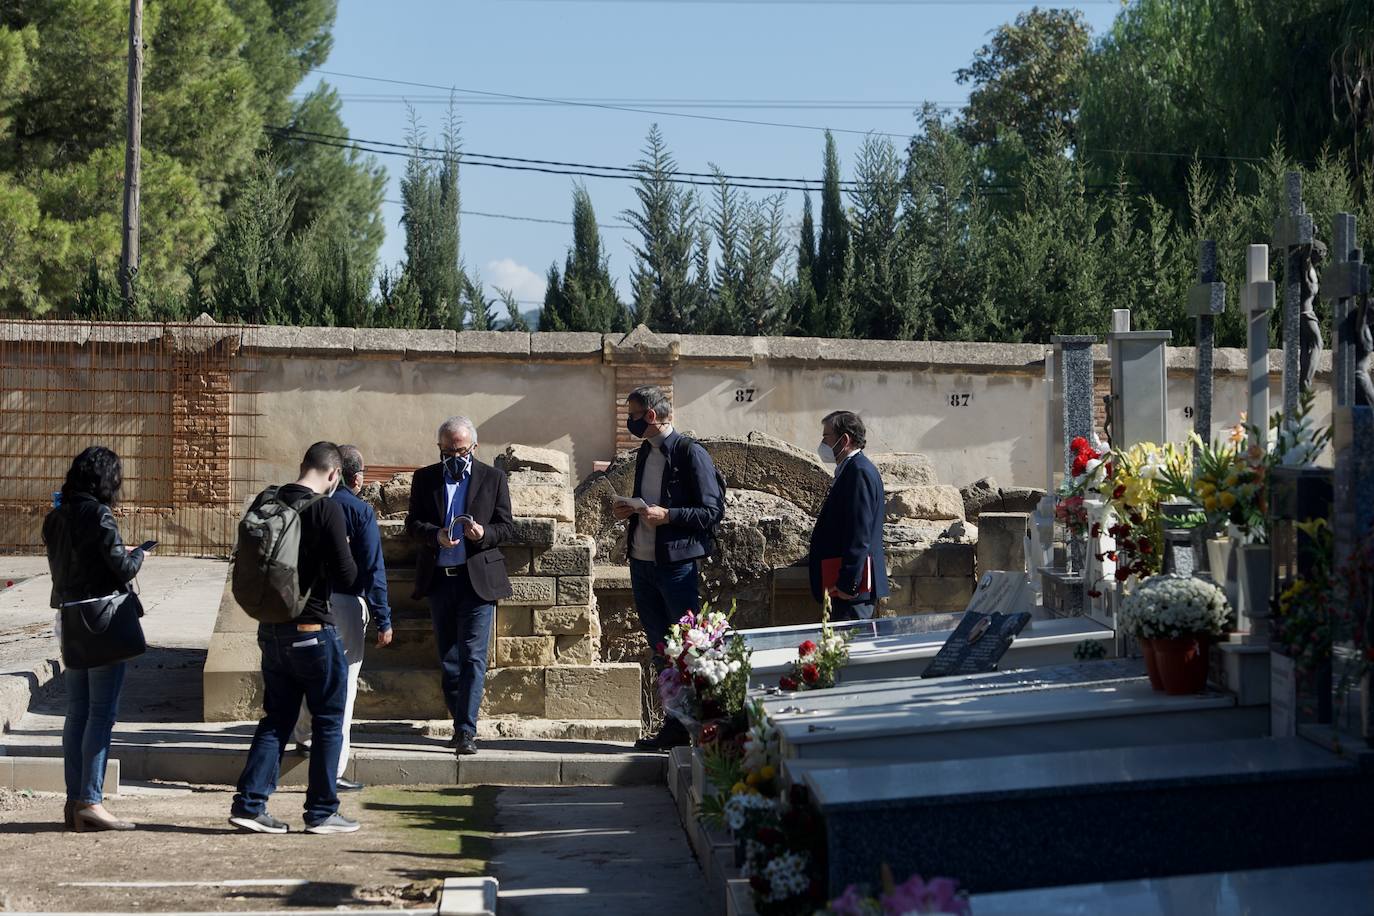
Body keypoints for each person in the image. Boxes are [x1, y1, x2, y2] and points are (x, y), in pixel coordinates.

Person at [229, 441, 359, 835]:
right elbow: (348, 577)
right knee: (328, 720)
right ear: (335, 474)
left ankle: (250, 806)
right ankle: (321, 812)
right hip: (314, 630)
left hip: (271, 630)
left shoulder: (268, 500)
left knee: (277, 719)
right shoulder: (326, 509)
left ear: (302, 465)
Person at [612, 385, 724, 752]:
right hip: (641, 564)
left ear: (652, 416)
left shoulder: (692, 453)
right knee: (661, 649)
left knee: (688, 650)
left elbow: (712, 512)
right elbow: (648, 503)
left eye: (632, 413)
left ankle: (708, 726)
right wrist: (630, 509)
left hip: (676, 568)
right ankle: (674, 727)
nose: (628, 420)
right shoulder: (644, 453)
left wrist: (669, 515)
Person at [42, 446, 148, 832]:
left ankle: (75, 801)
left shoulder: (55, 517)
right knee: (101, 714)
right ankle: (90, 799)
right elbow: (120, 566)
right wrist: (139, 557)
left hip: (69, 621)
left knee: (78, 712)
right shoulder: (99, 514)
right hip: (102, 623)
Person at [405, 417, 514, 758]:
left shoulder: (493, 478)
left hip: (476, 582)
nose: (453, 455)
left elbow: (507, 527)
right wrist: (434, 535)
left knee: (473, 657)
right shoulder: (425, 479)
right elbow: (412, 524)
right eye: (446, 450)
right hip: (439, 581)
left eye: (460, 450)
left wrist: (484, 535)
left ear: (474, 448)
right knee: (449, 659)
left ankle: (465, 730)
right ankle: (460, 720)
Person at [291, 445, 393, 792]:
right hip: (346, 602)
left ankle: (303, 734)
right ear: (357, 478)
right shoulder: (359, 510)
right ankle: (333, 768)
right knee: (344, 685)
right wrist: (383, 617)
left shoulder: (307, 505)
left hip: (304, 601)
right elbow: (372, 567)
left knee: (309, 673)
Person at [807, 411, 889, 621]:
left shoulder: (859, 471)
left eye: (826, 437)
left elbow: (859, 533)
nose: (823, 443)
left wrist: (847, 584)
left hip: (851, 593)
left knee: (848, 649)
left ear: (844, 440)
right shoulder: (851, 469)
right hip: (843, 589)